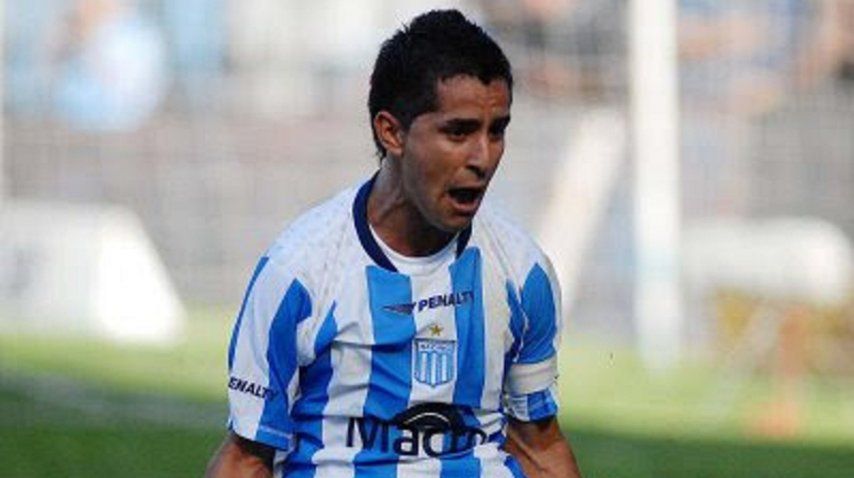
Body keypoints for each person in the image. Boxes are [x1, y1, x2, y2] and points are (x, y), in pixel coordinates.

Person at [205, 9, 582, 478]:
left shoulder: (521, 271)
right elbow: (247, 458)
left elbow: (537, 446)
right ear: (392, 132)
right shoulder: (299, 273)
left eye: (497, 130)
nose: (483, 157)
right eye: (459, 131)